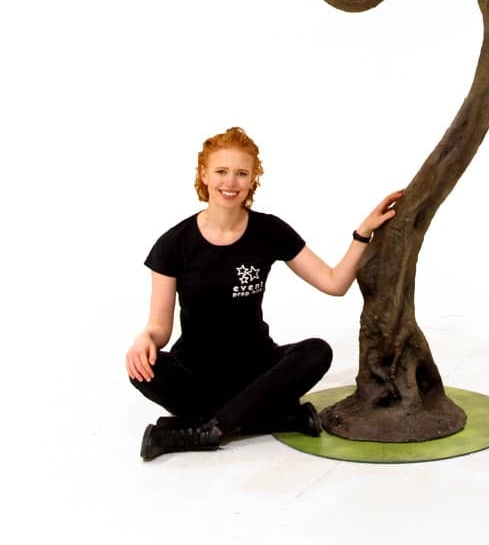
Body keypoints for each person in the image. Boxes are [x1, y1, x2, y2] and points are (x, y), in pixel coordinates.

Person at [126, 125, 401, 461]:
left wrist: (363, 233)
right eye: (221, 171)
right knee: (143, 367)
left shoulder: (269, 231)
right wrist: (144, 339)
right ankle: (274, 417)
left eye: (241, 173)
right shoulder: (173, 244)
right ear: (204, 174)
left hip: (257, 369)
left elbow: (334, 283)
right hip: (197, 374)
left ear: (253, 178)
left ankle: (211, 428)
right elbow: (159, 328)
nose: (230, 182)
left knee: (317, 351)